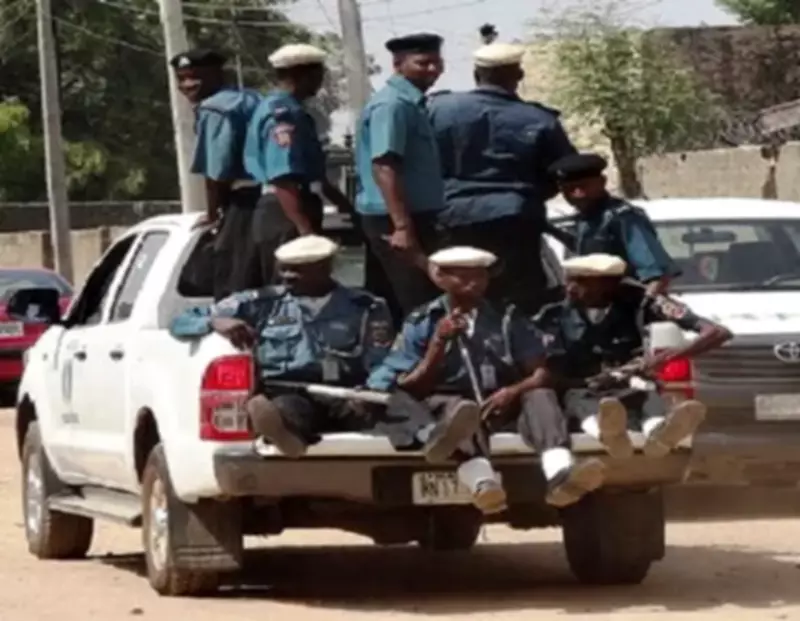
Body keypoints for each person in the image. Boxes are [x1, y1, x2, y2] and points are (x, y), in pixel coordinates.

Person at [367, 246, 608, 513]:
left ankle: (559, 472)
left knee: (540, 395)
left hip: (502, 401)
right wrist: (438, 343)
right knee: (459, 410)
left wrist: (512, 391)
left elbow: (541, 373)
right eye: (463, 277)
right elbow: (413, 386)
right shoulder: (422, 321)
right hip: (451, 403)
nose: (475, 284)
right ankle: (482, 483)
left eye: (480, 276)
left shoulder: (508, 317)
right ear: (441, 278)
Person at [169, 235, 393, 457]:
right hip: (291, 390)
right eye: (283, 269)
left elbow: (381, 358)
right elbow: (180, 321)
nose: (286, 277)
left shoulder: (365, 306)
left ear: (324, 268)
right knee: (289, 412)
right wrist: (214, 321)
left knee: (390, 413)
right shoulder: (261, 303)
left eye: (296, 270)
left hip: (347, 392)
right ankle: (281, 432)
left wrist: (373, 389)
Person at [426, 39, 576, 315]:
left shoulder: (439, 109)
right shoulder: (540, 119)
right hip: (516, 220)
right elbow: (565, 171)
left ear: (476, 74)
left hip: (454, 218)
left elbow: (420, 163)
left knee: (459, 297)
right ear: (518, 75)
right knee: (520, 303)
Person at [534, 253, 732, 460]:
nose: (571, 288)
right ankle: (608, 435)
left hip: (628, 382)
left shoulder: (641, 301)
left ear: (609, 284)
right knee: (581, 400)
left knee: (646, 393)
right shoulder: (552, 314)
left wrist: (665, 357)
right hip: (581, 387)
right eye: (570, 280)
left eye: (582, 282)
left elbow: (718, 332)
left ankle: (660, 433)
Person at [355, 33, 448, 327]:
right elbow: (384, 165)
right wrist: (402, 227)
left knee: (411, 304)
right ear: (398, 64)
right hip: (397, 221)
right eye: (423, 63)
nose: (432, 69)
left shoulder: (412, 103)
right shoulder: (392, 105)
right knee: (420, 305)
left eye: (436, 62)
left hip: (412, 217)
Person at [244, 44, 353, 286]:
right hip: (286, 211)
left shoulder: (294, 111)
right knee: (291, 288)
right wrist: (304, 229)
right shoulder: (284, 115)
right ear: (302, 76)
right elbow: (283, 178)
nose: (321, 83)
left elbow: (315, 175)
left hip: (294, 206)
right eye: (318, 76)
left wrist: (344, 206)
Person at [170, 48, 262, 300]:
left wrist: (212, 214)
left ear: (215, 75)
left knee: (234, 283)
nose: (187, 85)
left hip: (246, 202)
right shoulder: (252, 98)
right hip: (273, 198)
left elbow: (217, 171)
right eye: (181, 78)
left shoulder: (214, 109)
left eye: (194, 77)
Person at [548, 153, 680, 296]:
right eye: (570, 189)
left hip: (625, 306)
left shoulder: (623, 218)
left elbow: (656, 277)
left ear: (602, 182)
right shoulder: (583, 220)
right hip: (594, 309)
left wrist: (642, 308)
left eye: (584, 186)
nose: (578, 194)